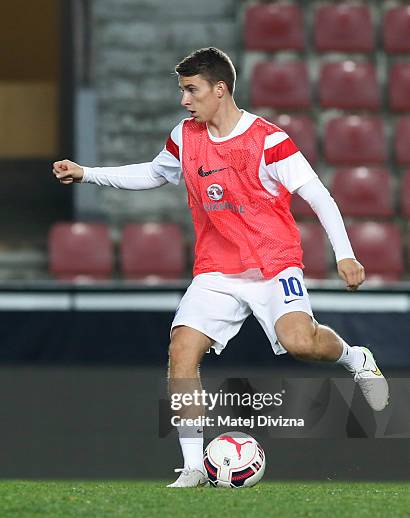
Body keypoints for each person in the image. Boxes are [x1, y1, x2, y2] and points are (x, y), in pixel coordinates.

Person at [53, 47, 389, 487]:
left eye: (191, 90)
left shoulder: (270, 141)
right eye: (182, 91)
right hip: (216, 269)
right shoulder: (185, 136)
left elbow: (318, 196)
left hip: (273, 265)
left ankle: (354, 357)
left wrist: (345, 253)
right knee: (181, 351)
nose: (184, 101)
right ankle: (193, 466)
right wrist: (87, 173)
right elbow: (155, 173)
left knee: (300, 343)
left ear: (220, 89)